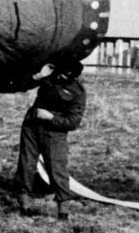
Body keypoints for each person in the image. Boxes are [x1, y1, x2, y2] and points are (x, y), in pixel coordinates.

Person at [13, 59, 86, 220]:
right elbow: (20, 85)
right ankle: (24, 204)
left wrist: (52, 117)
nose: (61, 77)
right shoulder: (49, 75)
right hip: (32, 125)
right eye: (60, 72)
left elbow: (73, 122)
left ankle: (63, 209)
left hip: (54, 132)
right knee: (26, 164)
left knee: (56, 168)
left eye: (66, 75)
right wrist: (39, 75)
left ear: (73, 76)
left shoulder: (77, 92)